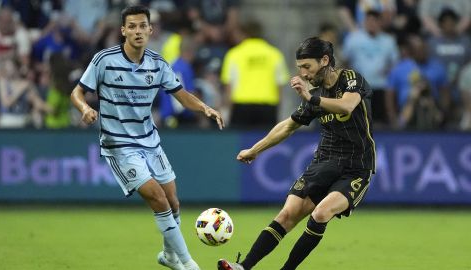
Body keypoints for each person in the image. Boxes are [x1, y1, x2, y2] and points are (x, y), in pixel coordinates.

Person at [70, 6, 224, 270]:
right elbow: (77, 92)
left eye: (143, 26)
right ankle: (188, 264)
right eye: (132, 26)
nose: (138, 31)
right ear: (123, 31)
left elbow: (181, 94)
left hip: (150, 141)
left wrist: (204, 107)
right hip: (118, 144)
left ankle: (169, 256)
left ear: (151, 30)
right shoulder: (104, 60)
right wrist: (85, 109)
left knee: (173, 201)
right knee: (157, 198)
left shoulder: (158, 63)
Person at [217, 37, 376, 270]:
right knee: (286, 215)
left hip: (356, 168)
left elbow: (346, 105)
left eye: (307, 67)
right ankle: (244, 267)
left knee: (321, 213)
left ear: (324, 60)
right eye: (300, 68)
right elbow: (288, 126)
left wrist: (311, 97)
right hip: (324, 162)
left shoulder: (350, 79)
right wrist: (255, 150)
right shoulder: (315, 94)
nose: (303, 74)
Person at [220, 19, 289, 129]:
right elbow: (279, 85)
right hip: (268, 107)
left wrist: (226, 111)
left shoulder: (234, 54)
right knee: (265, 143)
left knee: (241, 144)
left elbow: (229, 86)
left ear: (244, 33)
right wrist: (278, 111)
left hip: (241, 106)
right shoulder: (275, 54)